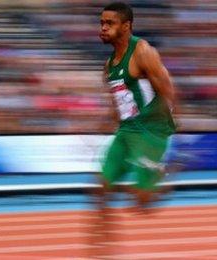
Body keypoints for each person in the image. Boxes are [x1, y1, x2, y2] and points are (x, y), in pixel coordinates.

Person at [92, 1, 177, 254]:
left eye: (110, 23)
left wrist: (162, 133)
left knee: (142, 204)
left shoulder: (143, 51)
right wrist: (105, 122)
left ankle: (163, 174)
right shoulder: (108, 67)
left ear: (126, 26)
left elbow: (167, 90)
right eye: (101, 23)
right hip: (127, 131)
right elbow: (118, 103)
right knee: (100, 188)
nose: (103, 28)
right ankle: (105, 251)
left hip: (150, 131)